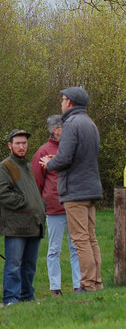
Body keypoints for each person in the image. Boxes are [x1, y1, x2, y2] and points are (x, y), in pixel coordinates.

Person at [40, 87, 103, 292]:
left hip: (75, 191)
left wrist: (49, 163)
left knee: (80, 239)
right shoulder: (90, 123)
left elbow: (65, 157)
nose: (61, 102)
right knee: (91, 238)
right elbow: (83, 156)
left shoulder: (71, 124)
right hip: (91, 187)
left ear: (70, 102)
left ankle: (86, 284)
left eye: (63, 99)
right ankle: (96, 282)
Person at [0, 128, 45, 306]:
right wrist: (23, 203)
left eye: (24, 143)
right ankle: (10, 299)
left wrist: (39, 207)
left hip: (34, 224)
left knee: (29, 266)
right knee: (13, 265)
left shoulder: (29, 167)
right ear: (10, 145)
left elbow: (35, 193)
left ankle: (27, 295)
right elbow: (0, 191)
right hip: (16, 225)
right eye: (18, 143)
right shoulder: (5, 167)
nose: (21, 146)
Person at [32, 115, 81, 295]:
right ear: (56, 129)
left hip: (74, 203)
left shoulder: (72, 148)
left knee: (76, 246)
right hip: (54, 207)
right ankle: (55, 287)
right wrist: (40, 204)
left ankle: (79, 284)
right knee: (54, 249)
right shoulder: (43, 151)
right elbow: (37, 180)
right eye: (64, 126)